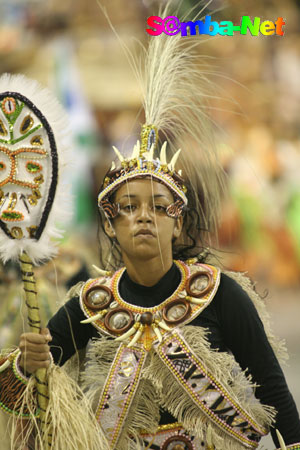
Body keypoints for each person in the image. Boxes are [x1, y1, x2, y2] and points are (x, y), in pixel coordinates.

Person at [1, 6, 300, 450]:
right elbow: (14, 393)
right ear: (111, 224)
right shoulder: (91, 303)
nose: (144, 216)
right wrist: (28, 364)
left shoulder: (220, 295)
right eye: (129, 207)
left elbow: (277, 404)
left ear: (178, 225)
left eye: (159, 207)